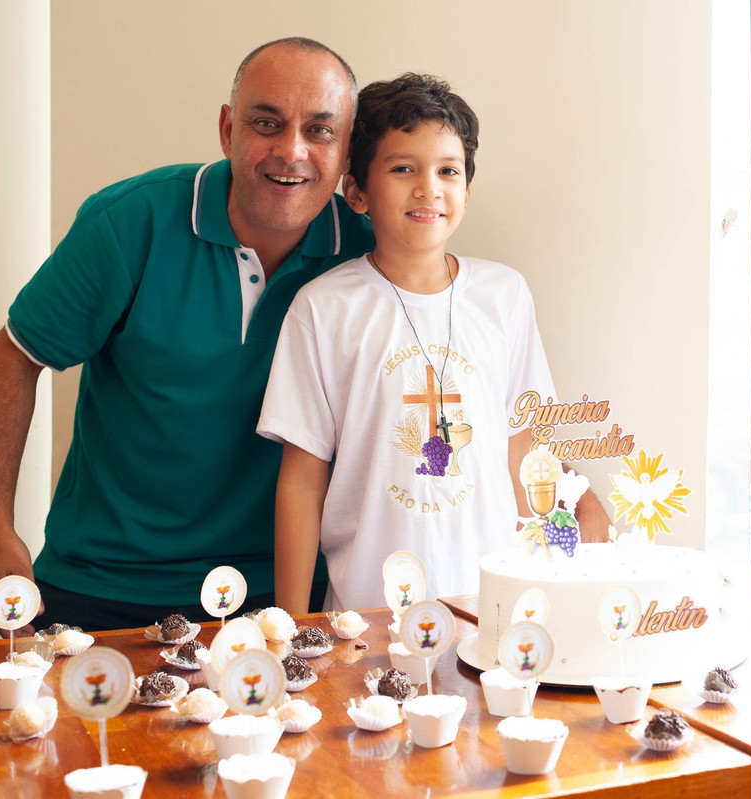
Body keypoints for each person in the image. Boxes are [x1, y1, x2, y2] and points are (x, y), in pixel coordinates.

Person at [0, 38, 374, 634]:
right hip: (104, 582)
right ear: (227, 129)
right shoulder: (131, 221)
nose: (292, 151)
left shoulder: (368, 253)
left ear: (346, 151)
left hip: (284, 589)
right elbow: (15, 355)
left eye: (320, 130)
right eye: (267, 123)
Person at [257, 73, 608, 614]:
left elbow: (523, 450)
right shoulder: (323, 308)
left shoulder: (504, 295)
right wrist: (293, 624)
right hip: (367, 612)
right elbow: (303, 482)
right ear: (357, 191)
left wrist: (555, 570)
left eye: (448, 171)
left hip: (493, 605)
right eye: (403, 169)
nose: (429, 188)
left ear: (467, 190)